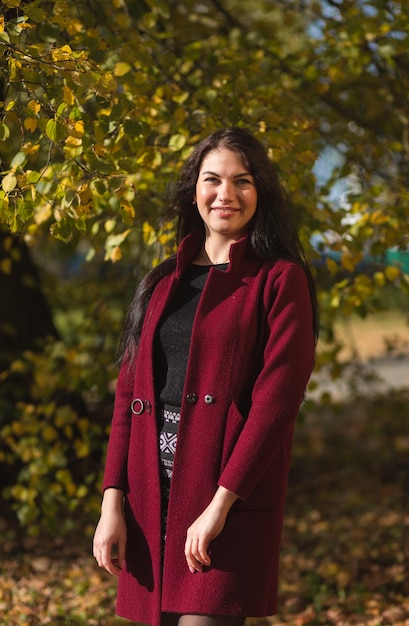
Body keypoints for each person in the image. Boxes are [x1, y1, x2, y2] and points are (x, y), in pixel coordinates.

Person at [93, 127, 318, 626]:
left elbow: (276, 402)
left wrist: (219, 507)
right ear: (194, 188)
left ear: (261, 192)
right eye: (213, 179)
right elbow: (129, 400)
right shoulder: (159, 282)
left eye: (243, 181)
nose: (226, 194)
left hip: (226, 497)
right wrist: (113, 503)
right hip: (151, 499)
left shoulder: (280, 280)